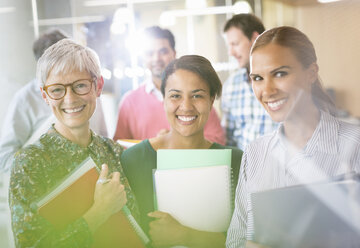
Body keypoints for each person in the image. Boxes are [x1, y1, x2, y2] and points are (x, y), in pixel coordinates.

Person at [226, 26, 360, 248]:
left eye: (280, 73)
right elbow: (235, 240)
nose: (267, 90)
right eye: (258, 78)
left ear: (311, 73)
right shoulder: (255, 153)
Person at [9, 39, 139, 247]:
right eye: (57, 90)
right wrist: (100, 211)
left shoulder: (112, 151)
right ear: (45, 96)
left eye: (80, 86)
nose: (70, 99)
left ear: (98, 86)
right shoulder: (30, 163)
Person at [121, 55, 243, 248]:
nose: (186, 106)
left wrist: (186, 236)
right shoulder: (134, 159)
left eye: (197, 95)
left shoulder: (236, 160)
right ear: (164, 99)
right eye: (176, 95)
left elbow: (246, 240)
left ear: (212, 100)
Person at [0, 29, 107, 172]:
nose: (70, 98)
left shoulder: (88, 92)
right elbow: (5, 158)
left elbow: (103, 137)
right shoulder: (25, 99)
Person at [114, 26, 226, 145]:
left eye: (163, 52)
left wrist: (178, 142)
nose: (156, 58)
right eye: (150, 53)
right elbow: (119, 148)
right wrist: (154, 146)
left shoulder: (197, 98)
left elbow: (217, 142)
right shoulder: (129, 102)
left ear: (174, 54)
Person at [222, 14, 278, 150]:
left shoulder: (283, 80)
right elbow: (228, 139)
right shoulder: (231, 86)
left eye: (235, 44)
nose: (231, 52)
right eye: (229, 46)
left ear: (254, 38)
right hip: (243, 167)